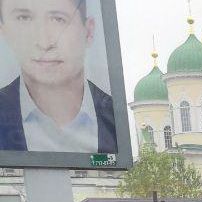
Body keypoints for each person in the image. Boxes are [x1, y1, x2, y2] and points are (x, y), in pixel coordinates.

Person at [0, 0, 117, 153]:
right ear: (3, 31)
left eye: (58, 19)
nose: (44, 42)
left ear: (88, 31)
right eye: (24, 18)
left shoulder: (115, 119)